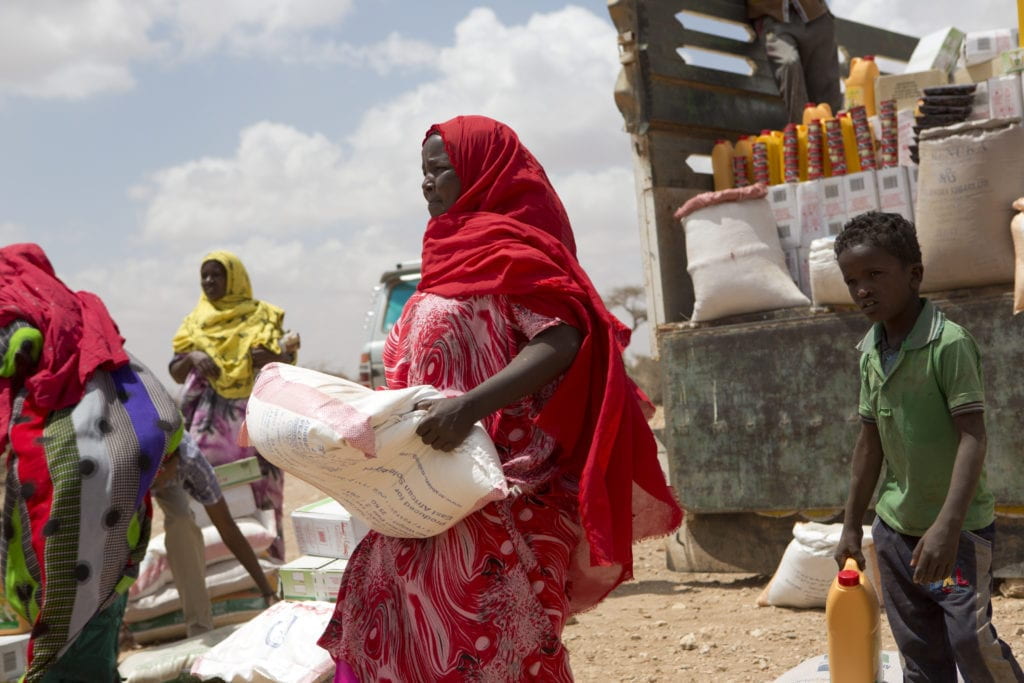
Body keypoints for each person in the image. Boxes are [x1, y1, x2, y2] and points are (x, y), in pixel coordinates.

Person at [317, 115, 683, 681]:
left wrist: (470, 407)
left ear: (481, 172)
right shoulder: (441, 262)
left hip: (502, 488)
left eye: (439, 170)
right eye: (423, 172)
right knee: (387, 617)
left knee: (490, 645)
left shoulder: (514, 254)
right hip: (426, 489)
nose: (426, 184)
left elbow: (559, 340)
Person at [832, 212, 1023, 681]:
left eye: (875, 275)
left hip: (955, 536)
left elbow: (973, 436)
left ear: (914, 274)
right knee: (919, 650)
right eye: (852, 280)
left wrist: (947, 527)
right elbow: (868, 444)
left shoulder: (949, 344)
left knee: (969, 640)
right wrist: (852, 525)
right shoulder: (871, 352)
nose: (862, 290)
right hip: (896, 531)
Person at [0, 243, 183, 681]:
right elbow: (165, 431)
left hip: (46, 538)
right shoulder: (90, 324)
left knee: (58, 658)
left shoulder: (14, 318)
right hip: (114, 532)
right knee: (95, 644)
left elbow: (17, 347)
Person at [169, 250, 298, 562]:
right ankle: (222, 573)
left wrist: (275, 357)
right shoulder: (194, 322)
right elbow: (175, 371)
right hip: (210, 428)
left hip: (257, 423)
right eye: (205, 275)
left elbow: (287, 358)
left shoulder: (262, 315)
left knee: (263, 498)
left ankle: (267, 570)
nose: (210, 281)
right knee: (211, 499)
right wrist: (193, 358)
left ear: (235, 279)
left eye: (217, 274)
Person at [149, 430, 279, 638]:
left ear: (174, 463)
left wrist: (267, 591)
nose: (157, 481)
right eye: (154, 476)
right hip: (131, 474)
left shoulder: (192, 464)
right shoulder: (127, 464)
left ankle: (199, 628)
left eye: (161, 473)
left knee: (182, 523)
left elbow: (226, 527)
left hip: (165, 472)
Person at [747, 0, 842, 123]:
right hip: (773, 18)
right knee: (788, 63)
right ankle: (805, 134)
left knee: (827, 97)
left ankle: (833, 136)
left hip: (815, 14)